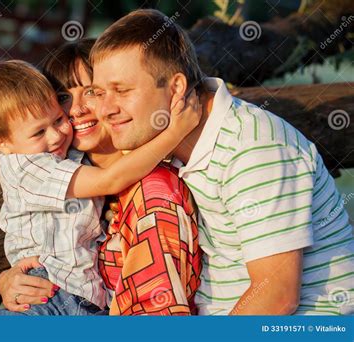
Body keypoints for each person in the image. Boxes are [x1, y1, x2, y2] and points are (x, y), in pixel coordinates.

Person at [90, 9, 354, 315]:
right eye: (99, 92)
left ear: (175, 88)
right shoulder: (166, 139)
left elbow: (277, 297)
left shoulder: (252, 146)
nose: (105, 109)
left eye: (122, 91)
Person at [0, 57, 198, 315]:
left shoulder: (148, 187)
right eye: (65, 97)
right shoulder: (31, 166)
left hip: (81, 299)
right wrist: (175, 132)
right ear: (2, 142)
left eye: (91, 92)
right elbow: (111, 178)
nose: (57, 134)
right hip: (50, 292)